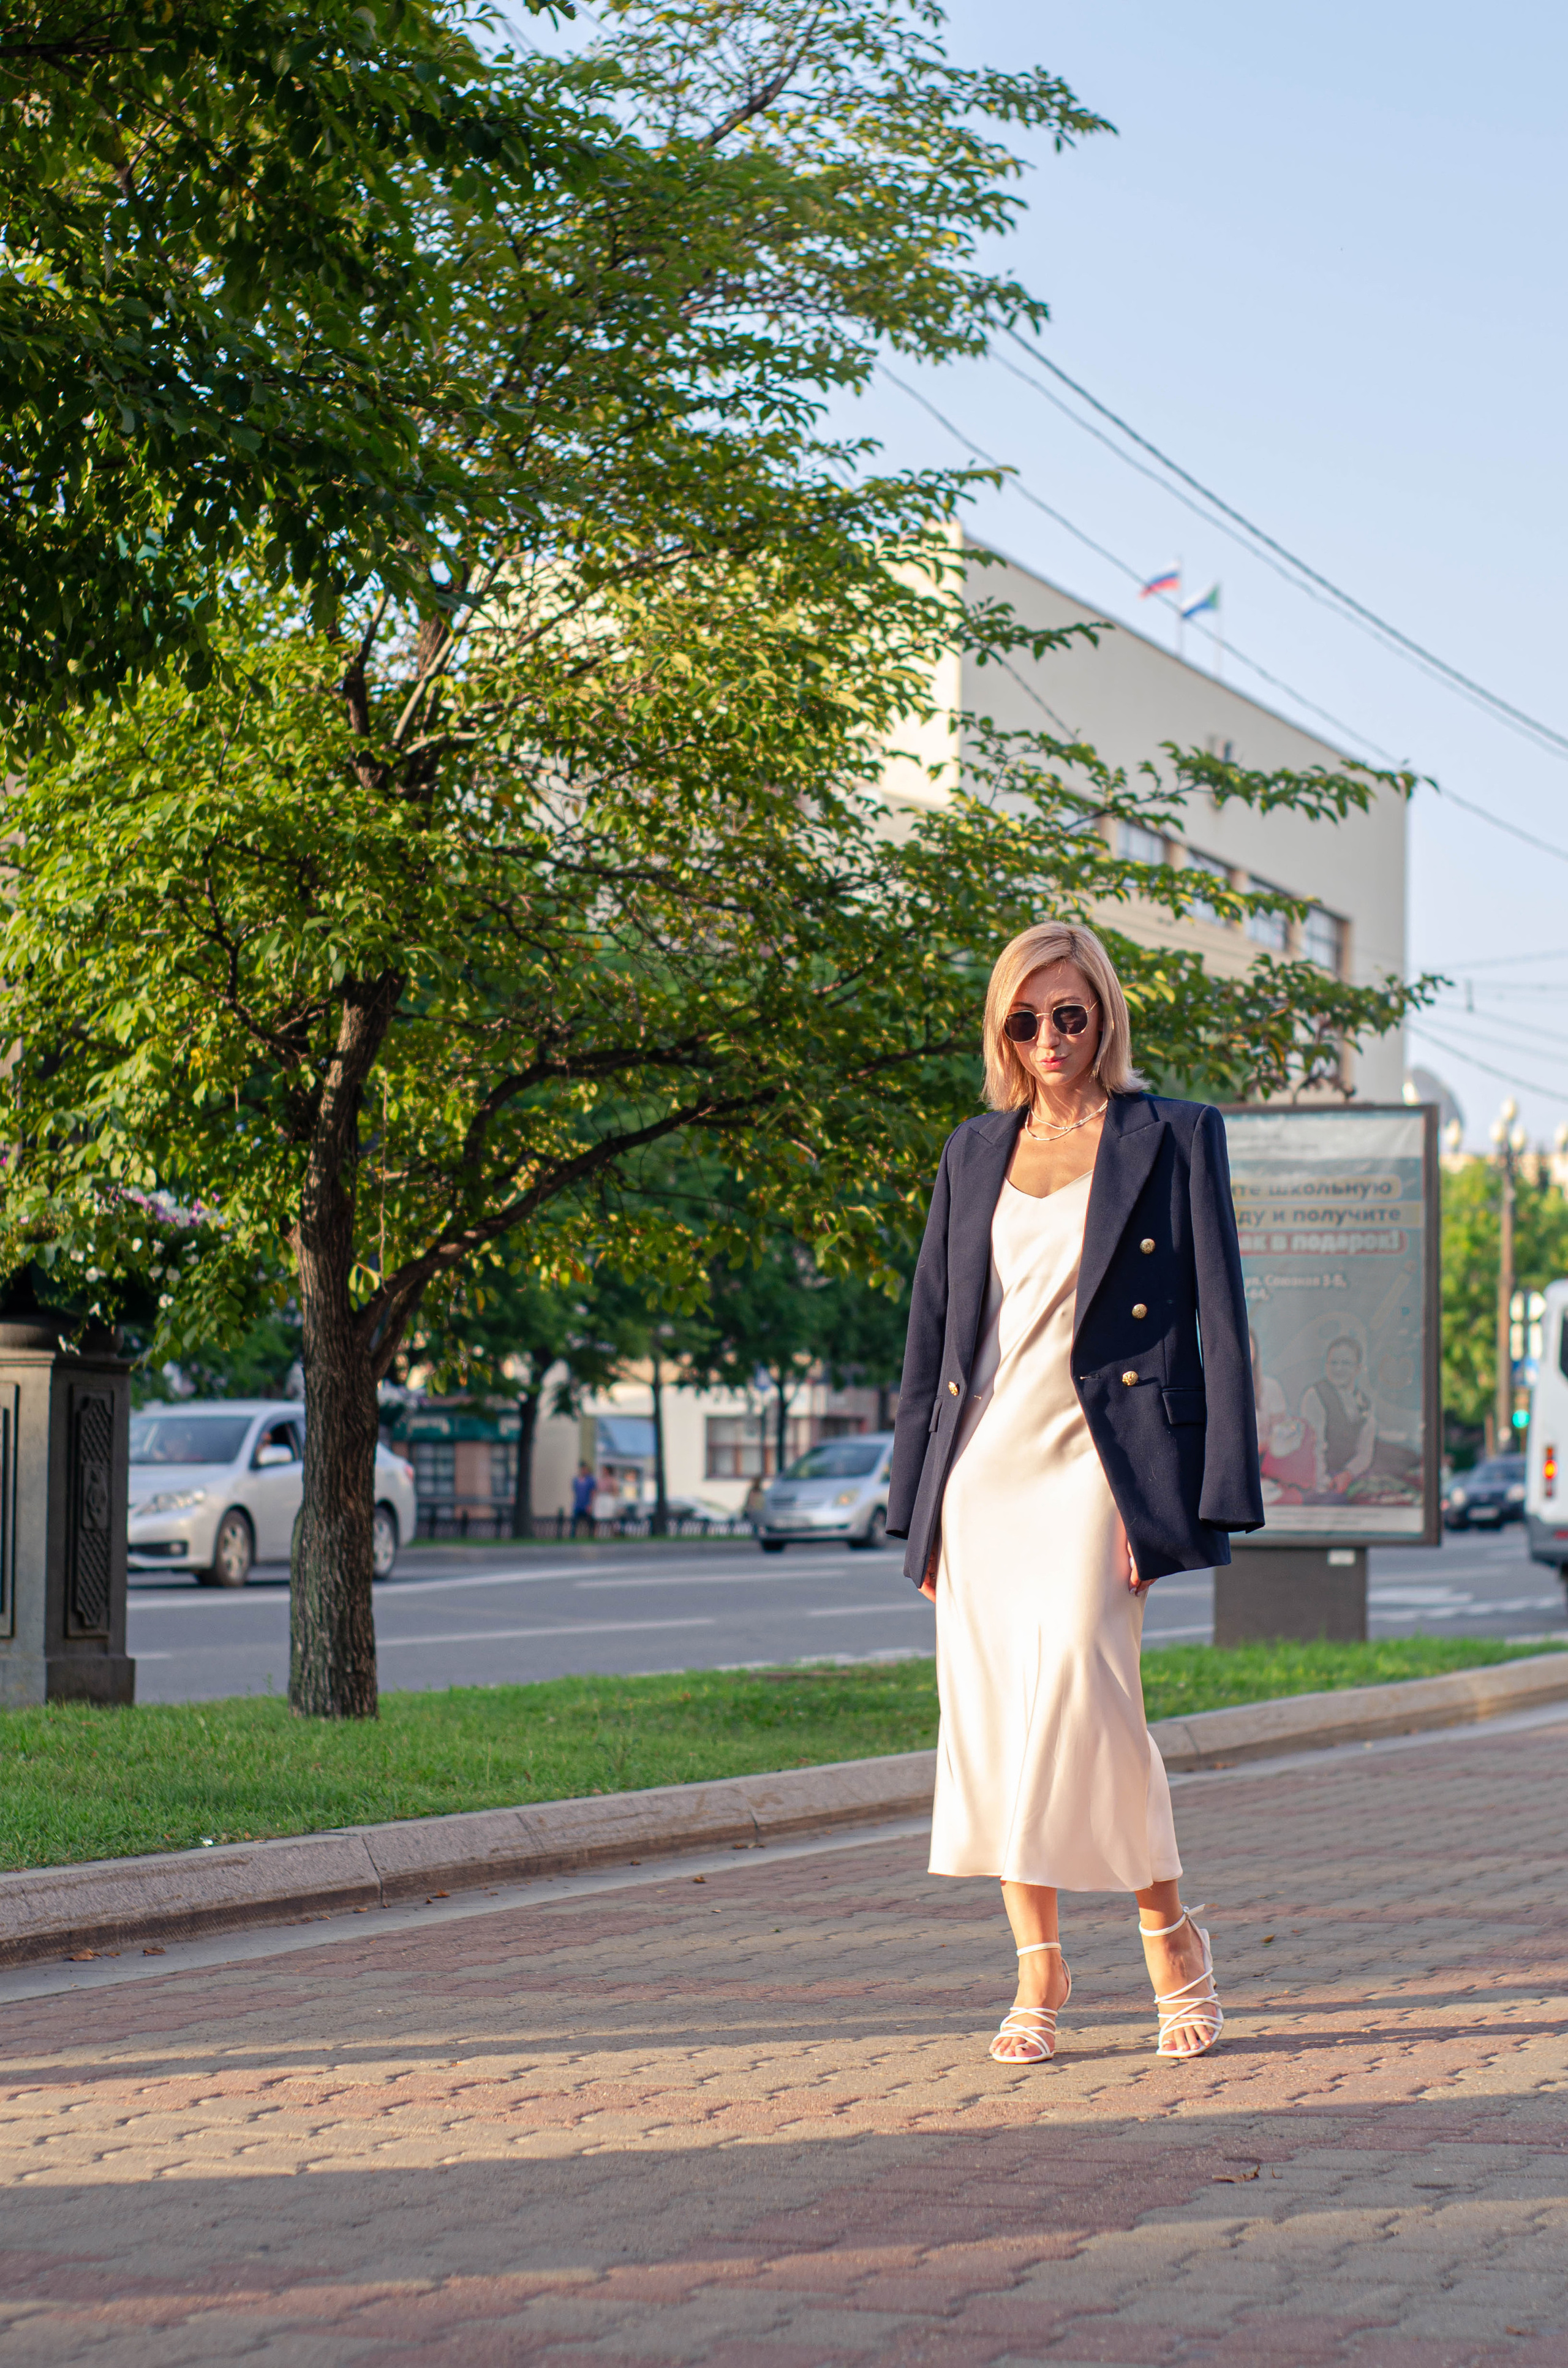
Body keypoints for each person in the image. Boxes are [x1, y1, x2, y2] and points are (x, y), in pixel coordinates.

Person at [886, 920, 1263, 2066]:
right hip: (986, 1474)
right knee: (999, 1721)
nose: (1048, 1037)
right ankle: (1036, 1968)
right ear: (1002, 1030)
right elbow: (932, 1339)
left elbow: (1220, 1322)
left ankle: (1167, 1931)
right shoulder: (970, 1153)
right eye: (1024, 1019)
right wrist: (918, 1511)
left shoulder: (1176, 1137)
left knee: (1093, 1706)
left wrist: (1201, 1497)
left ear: (1104, 1015)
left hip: (1106, 1468)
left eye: (1069, 1014)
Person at [1300, 1336, 1376, 1496]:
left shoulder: (1365, 1402)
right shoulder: (1316, 1395)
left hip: (1349, 1476)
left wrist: (1348, 1473)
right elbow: (1314, 1447)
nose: (1339, 1369)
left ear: (1358, 1368)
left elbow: (1365, 1452)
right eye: (1333, 1363)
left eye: (1346, 1363)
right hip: (1321, 1480)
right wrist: (1324, 1485)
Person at [570, 1461, 596, 1536]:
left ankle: (591, 1535)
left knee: (589, 1522)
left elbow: (593, 1492)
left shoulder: (590, 1480)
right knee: (575, 1521)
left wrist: (590, 1504)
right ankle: (573, 1536)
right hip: (578, 1504)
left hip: (586, 1504)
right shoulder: (576, 1480)